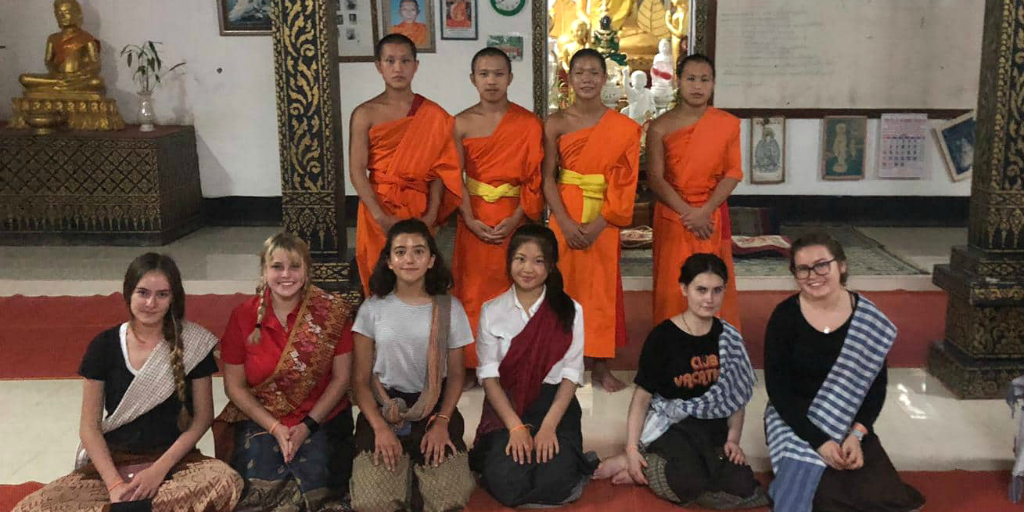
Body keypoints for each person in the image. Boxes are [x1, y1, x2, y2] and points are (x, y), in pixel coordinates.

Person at [13, 254, 242, 512]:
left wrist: (158, 471)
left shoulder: (193, 343)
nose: (150, 303)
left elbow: (202, 419)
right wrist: (113, 485)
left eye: (162, 295)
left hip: (175, 465)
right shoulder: (104, 346)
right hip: (115, 462)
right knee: (34, 506)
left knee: (225, 481)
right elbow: (89, 427)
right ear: (127, 293)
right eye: (142, 292)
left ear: (173, 298)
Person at [764, 232, 925, 512]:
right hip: (796, 418)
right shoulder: (785, 316)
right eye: (803, 269)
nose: (813, 275)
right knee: (819, 499)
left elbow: (876, 388)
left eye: (821, 265)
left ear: (842, 266)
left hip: (848, 418)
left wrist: (857, 434)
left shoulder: (869, 319)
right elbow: (777, 390)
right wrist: (819, 441)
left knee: (885, 498)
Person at [593, 253, 767, 509]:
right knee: (688, 480)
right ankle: (639, 460)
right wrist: (631, 448)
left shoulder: (729, 337)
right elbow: (641, 399)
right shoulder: (663, 337)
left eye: (717, 290)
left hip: (713, 430)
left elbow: (735, 400)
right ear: (684, 289)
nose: (709, 299)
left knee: (745, 487)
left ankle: (644, 471)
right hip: (674, 428)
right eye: (701, 290)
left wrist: (733, 441)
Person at [215, 233, 357, 511]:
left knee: (319, 480)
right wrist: (275, 427)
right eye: (277, 267)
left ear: (307, 271)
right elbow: (235, 387)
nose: (286, 275)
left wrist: (306, 427)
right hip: (262, 418)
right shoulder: (243, 316)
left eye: (294, 266)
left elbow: (342, 380)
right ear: (264, 271)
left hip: (322, 419)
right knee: (257, 483)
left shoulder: (332, 312)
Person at [349, 219, 476, 512]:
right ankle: (404, 479)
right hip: (384, 407)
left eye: (419, 251)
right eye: (400, 251)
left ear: (431, 260)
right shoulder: (373, 308)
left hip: (434, 408)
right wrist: (380, 428)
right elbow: (360, 381)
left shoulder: (449, 308)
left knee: (449, 499)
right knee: (374, 502)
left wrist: (443, 421)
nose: (409, 259)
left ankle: (417, 479)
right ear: (389, 261)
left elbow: (456, 375)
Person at [469, 224, 596, 507]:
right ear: (509, 262)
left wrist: (549, 426)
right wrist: (515, 427)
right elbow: (489, 377)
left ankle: (568, 460)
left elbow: (571, 375)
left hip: (554, 405)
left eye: (538, 261)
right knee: (507, 481)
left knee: (555, 480)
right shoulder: (492, 311)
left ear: (551, 267)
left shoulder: (571, 311)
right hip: (508, 405)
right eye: (520, 259)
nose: (528, 268)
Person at [542, 48, 641, 392]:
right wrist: (565, 222)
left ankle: (601, 366)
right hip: (565, 211)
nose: (586, 79)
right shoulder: (555, 122)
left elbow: (625, 183)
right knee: (560, 286)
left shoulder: (624, 128)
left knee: (602, 289)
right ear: (568, 79)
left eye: (593, 72)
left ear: (605, 78)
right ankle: (557, 362)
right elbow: (547, 179)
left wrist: (601, 223)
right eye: (579, 72)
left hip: (604, 215)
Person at [451, 47, 544, 373]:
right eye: (484, 74)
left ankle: (513, 360)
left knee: (517, 286)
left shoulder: (529, 123)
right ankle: (473, 362)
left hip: (512, 218)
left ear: (510, 78)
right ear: (473, 79)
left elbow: (534, 179)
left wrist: (517, 218)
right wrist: (469, 218)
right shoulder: (460, 123)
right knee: (473, 290)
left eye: (498, 74)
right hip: (474, 217)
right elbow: (453, 178)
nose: (491, 81)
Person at [349, 34, 462, 295]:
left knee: (419, 278)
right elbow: (357, 171)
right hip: (378, 206)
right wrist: (379, 215)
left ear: (416, 65)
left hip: (418, 207)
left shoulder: (433, 114)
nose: (398, 68)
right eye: (390, 61)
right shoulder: (365, 113)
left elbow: (439, 172)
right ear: (379, 66)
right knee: (379, 278)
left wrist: (431, 215)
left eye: (405, 61)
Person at [647, 53, 742, 331]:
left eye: (705, 79)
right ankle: (672, 350)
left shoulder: (726, 124)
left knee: (713, 283)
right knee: (672, 287)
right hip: (674, 216)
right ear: (678, 81)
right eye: (691, 79)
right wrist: (689, 212)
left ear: (713, 84)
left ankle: (716, 350)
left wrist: (705, 211)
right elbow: (655, 177)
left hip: (711, 216)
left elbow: (733, 172)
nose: (697, 86)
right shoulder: (660, 126)